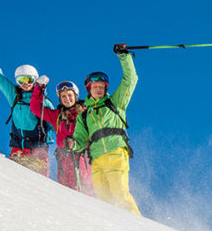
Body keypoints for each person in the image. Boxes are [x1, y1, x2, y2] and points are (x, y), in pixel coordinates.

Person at [72, 44, 140, 215]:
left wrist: (124, 56)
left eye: (102, 86)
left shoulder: (115, 103)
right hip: (97, 160)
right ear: (88, 89)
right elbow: (80, 141)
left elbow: (130, 80)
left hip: (116, 153)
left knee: (120, 195)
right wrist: (72, 143)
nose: (99, 88)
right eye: (95, 86)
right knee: (104, 202)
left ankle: (139, 228)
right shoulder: (84, 116)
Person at [0, 37, 54, 175]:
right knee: (15, 181)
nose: (25, 84)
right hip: (18, 147)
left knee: (38, 184)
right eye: (21, 80)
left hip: (37, 150)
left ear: (35, 80)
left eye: (29, 80)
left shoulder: (44, 102)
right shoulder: (14, 96)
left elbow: (56, 124)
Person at [30, 77, 93, 195]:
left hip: (82, 158)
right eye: (63, 96)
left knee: (83, 192)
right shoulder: (57, 116)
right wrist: (39, 87)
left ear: (76, 96)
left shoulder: (85, 112)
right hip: (63, 159)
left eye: (70, 95)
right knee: (65, 193)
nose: (67, 99)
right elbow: (35, 108)